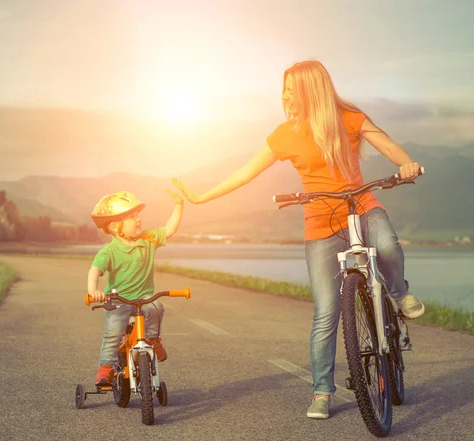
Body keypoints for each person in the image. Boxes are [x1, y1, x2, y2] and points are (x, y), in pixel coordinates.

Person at [171, 60, 425, 419]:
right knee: (326, 312)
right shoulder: (285, 134)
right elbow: (246, 173)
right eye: (284, 88)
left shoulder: (348, 116)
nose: (285, 95)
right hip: (321, 221)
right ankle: (322, 391)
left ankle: (397, 293)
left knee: (386, 246)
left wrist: (408, 164)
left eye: (292, 88)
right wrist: (200, 198)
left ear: (311, 89)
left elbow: (388, 145)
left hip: (362, 204)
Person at [87, 189, 184, 385]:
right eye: (132, 217)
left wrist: (179, 206)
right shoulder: (110, 251)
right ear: (115, 226)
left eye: (138, 215)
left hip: (145, 298)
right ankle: (106, 367)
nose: (138, 220)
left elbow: (170, 229)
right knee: (113, 332)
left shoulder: (148, 240)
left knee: (157, 308)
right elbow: (95, 270)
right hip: (118, 301)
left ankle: (153, 341)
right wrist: (93, 290)